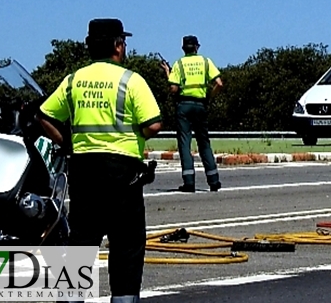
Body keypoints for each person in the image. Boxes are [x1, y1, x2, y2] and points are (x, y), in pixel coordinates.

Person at [37, 19, 163, 303]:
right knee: (126, 249)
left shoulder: (73, 80)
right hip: (123, 174)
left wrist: (67, 143)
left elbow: (44, 116)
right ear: (118, 46)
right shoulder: (131, 80)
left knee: (80, 244)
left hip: (84, 171)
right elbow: (153, 125)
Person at [161, 35, 223, 192]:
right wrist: (208, 97)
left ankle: (189, 182)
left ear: (183, 48)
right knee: (204, 143)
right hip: (200, 105)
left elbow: (174, 89)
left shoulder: (179, 64)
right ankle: (214, 181)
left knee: (184, 143)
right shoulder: (205, 62)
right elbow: (219, 83)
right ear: (197, 47)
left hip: (184, 106)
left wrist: (168, 74)